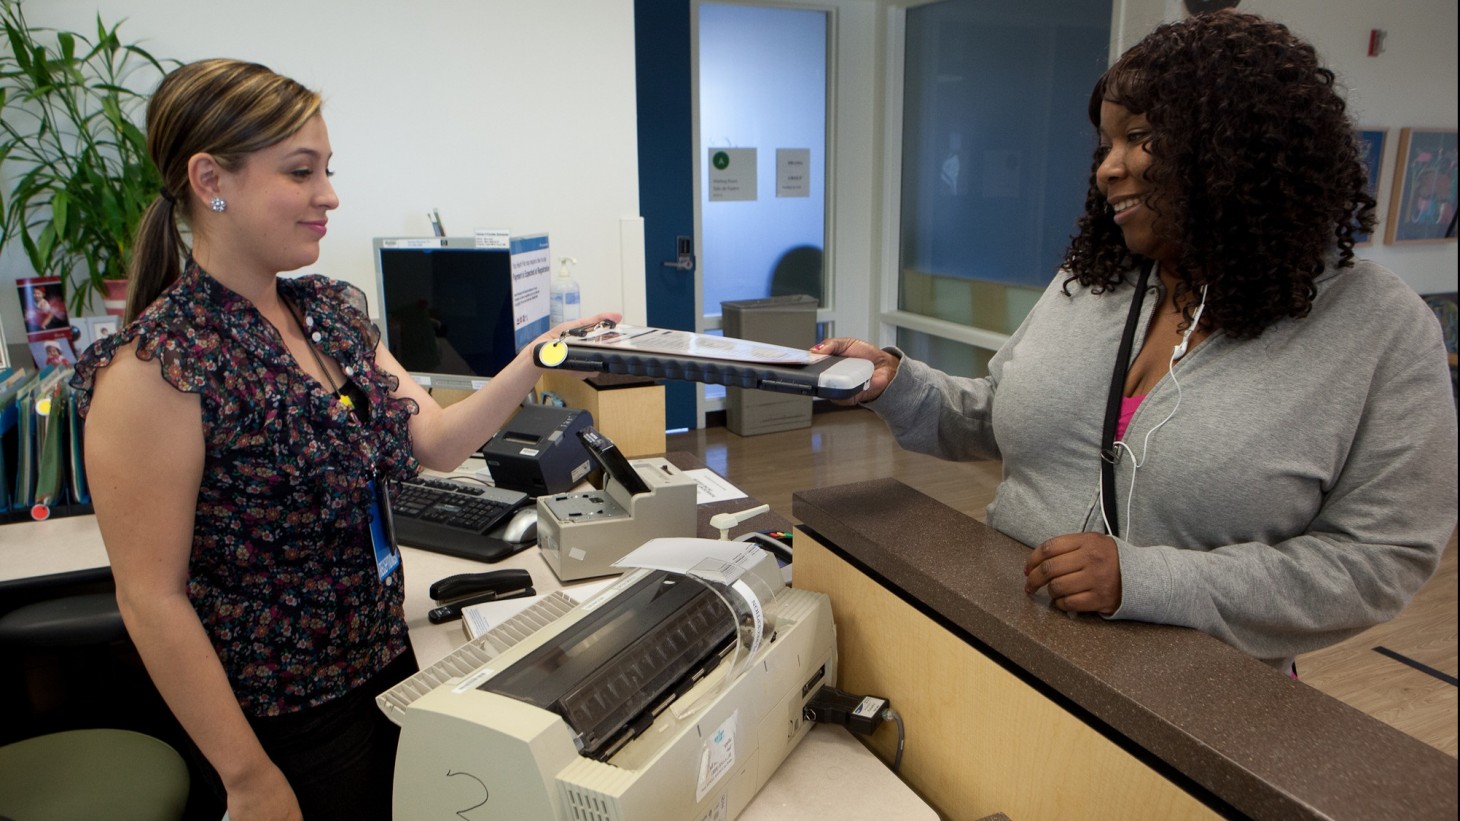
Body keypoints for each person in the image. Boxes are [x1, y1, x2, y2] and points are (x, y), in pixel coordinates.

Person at [817, 11, 1457, 675]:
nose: (1107, 169)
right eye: (1106, 145)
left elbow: (1379, 560)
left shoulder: (1381, 329)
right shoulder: (1094, 280)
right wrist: (898, 382)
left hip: (1192, 701)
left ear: (1237, 147)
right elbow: (998, 416)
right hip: (1007, 646)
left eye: (1140, 138)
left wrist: (1151, 581)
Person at [71, 59, 615, 821]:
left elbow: (437, 441)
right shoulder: (158, 368)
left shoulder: (328, 311)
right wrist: (249, 776)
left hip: (387, 666)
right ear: (209, 179)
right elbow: (151, 599)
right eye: (301, 172)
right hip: (283, 719)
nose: (330, 195)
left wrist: (537, 357)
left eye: (327, 169)